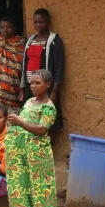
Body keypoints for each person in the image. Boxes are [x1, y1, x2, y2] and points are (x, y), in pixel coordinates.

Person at [6, 69, 58, 207]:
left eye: (38, 83)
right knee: (22, 190)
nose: (33, 86)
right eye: (32, 83)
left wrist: (19, 122)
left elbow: (42, 130)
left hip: (37, 157)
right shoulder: (29, 101)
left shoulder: (49, 107)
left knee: (38, 191)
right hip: (21, 156)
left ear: (48, 85)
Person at [19, 8, 64, 144]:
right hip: (29, 84)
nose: (39, 25)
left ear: (48, 22)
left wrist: (55, 90)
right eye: (36, 22)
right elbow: (24, 63)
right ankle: (31, 147)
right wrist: (22, 87)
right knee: (29, 115)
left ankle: (47, 150)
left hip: (46, 86)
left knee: (50, 119)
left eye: (42, 22)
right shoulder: (31, 40)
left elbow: (59, 67)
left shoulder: (54, 41)